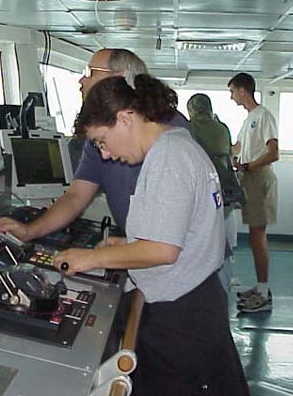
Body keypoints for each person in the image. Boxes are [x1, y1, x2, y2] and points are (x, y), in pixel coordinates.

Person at [54, 74, 250, 396]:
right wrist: (128, 245)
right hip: (195, 303)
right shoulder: (177, 146)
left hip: (181, 317)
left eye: (102, 140)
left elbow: (162, 250)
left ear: (126, 119)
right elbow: (177, 233)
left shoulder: (169, 157)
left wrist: (89, 257)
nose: (104, 154)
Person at [0, 48, 191, 238]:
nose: (82, 81)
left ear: (118, 78)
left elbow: (170, 240)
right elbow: (76, 196)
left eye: (91, 73)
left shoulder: (170, 134)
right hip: (145, 249)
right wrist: (30, 231)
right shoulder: (101, 134)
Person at [228, 72, 279, 313]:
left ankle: (264, 293)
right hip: (249, 178)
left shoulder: (264, 116)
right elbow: (236, 147)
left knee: (258, 237)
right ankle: (259, 288)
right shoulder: (250, 119)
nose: (231, 97)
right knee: (254, 236)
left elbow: (273, 153)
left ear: (242, 91)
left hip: (259, 179)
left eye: (232, 92)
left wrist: (248, 166)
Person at [187, 93, 238, 289]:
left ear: (192, 110)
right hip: (225, 189)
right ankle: (225, 281)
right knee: (223, 236)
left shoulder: (189, 129)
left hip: (202, 189)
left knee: (202, 238)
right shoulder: (222, 128)